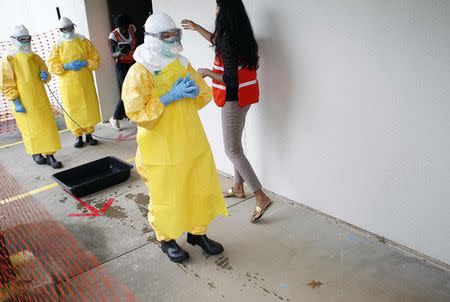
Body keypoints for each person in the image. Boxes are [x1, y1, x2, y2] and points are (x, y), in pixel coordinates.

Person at [122, 12, 228, 263]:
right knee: (166, 196)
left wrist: (192, 93)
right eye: (166, 36)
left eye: (175, 35)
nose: (172, 40)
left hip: (191, 141)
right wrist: (167, 98)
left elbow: (202, 95)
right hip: (160, 149)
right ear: (153, 39)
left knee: (197, 189)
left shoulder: (182, 63)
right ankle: (166, 238)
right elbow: (136, 112)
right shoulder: (140, 72)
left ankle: (197, 233)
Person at [182, 0, 273, 223]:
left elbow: (229, 78)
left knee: (232, 149)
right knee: (237, 146)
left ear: (223, 12)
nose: (215, 10)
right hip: (246, 96)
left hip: (233, 99)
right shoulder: (242, 34)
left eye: (218, 6)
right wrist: (196, 28)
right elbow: (220, 42)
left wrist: (206, 72)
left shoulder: (227, 38)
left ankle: (260, 196)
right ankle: (238, 186)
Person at [1, 25, 62, 169]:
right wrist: (16, 101)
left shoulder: (34, 57)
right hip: (23, 101)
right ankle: (36, 153)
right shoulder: (8, 59)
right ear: (14, 40)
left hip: (40, 99)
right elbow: (6, 84)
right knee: (30, 129)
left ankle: (50, 155)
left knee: (46, 126)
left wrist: (45, 76)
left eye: (28, 39)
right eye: (22, 39)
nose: (26, 42)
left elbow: (46, 74)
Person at [48, 17, 101, 148]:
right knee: (73, 108)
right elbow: (52, 65)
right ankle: (78, 136)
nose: (67, 31)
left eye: (69, 28)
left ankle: (89, 134)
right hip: (68, 85)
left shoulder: (84, 41)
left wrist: (85, 63)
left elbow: (96, 59)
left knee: (88, 106)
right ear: (60, 30)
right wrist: (65, 66)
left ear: (73, 26)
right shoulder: (58, 45)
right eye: (64, 29)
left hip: (85, 82)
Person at [108, 14, 137, 131]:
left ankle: (132, 114)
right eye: (122, 28)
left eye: (126, 27)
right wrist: (120, 53)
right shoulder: (113, 37)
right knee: (127, 90)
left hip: (134, 62)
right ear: (117, 27)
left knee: (136, 89)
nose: (125, 30)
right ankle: (115, 117)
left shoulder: (132, 28)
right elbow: (113, 55)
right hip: (122, 65)